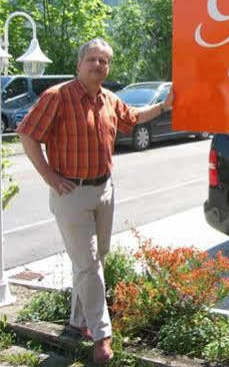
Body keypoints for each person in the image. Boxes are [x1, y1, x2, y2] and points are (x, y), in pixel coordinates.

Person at [17, 38, 173, 364]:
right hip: (70, 193)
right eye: (92, 60)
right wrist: (48, 176)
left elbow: (135, 116)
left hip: (104, 190)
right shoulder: (57, 97)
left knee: (95, 259)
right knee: (89, 264)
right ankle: (102, 336)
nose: (99, 66)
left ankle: (78, 321)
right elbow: (27, 134)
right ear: (79, 64)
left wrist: (163, 106)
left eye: (104, 61)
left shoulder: (109, 100)